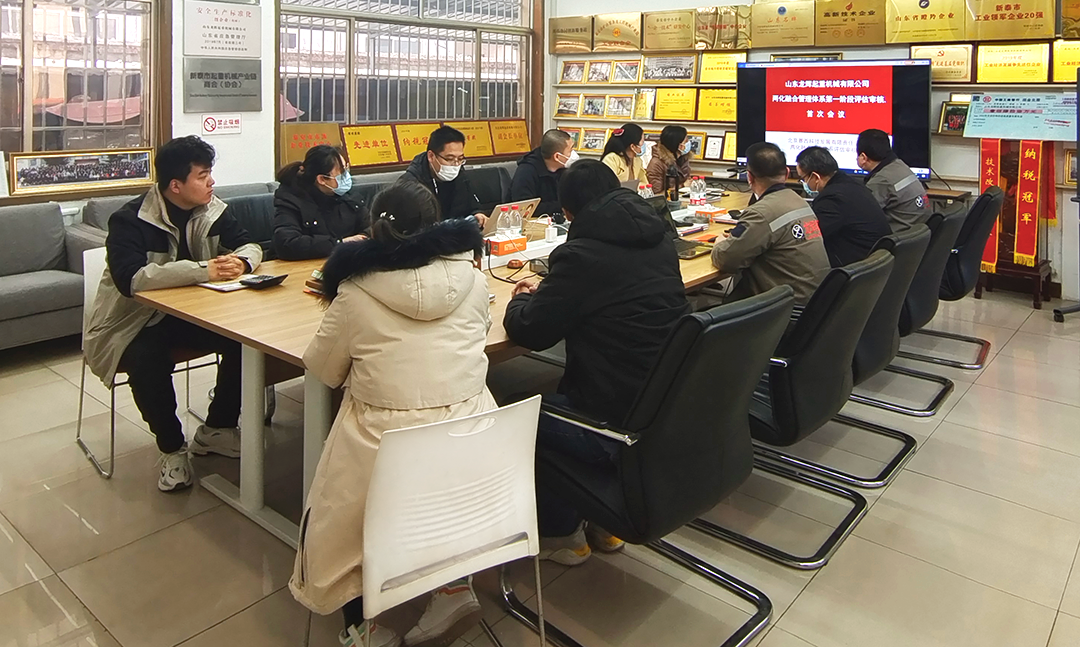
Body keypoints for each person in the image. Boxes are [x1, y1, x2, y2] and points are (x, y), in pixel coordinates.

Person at [290, 182, 496, 647]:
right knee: (439, 476)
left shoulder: (354, 290)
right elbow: (478, 333)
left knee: (342, 516)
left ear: (374, 229)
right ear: (437, 226)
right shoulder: (474, 279)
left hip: (384, 446)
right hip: (472, 440)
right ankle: (452, 586)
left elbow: (322, 369)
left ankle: (363, 627)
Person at [503, 160, 690, 564]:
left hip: (613, 420)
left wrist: (521, 299)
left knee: (520, 412)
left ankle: (563, 536)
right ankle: (603, 523)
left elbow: (531, 331)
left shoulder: (581, 255)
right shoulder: (659, 239)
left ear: (568, 212)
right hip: (666, 405)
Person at [83, 136, 263, 492]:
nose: (211, 182)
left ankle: (217, 429)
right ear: (175, 185)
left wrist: (242, 261)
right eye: (203, 176)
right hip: (133, 321)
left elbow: (251, 244)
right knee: (147, 359)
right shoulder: (130, 220)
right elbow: (131, 280)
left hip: (195, 313)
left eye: (210, 173)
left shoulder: (213, 209)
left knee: (247, 340)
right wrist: (203, 270)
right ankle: (171, 448)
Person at [710, 142, 829, 305]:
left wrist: (719, 244)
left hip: (787, 308)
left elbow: (727, 260)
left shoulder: (761, 213)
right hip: (814, 302)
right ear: (787, 173)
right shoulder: (799, 201)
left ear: (749, 177)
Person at [796, 146, 891, 268]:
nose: (803, 183)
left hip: (859, 266)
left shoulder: (832, 199)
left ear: (815, 177)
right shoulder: (850, 183)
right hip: (878, 260)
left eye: (803, 179)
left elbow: (811, 238)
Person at [272, 145, 370, 260]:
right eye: (342, 172)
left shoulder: (348, 196)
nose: (347, 177)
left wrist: (364, 237)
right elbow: (287, 243)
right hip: (304, 265)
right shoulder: (291, 199)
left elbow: (371, 226)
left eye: (346, 169)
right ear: (322, 179)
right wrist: (339, 243)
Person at [402, 125, 488, 226]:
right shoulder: (411, 185)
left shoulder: (460, 175)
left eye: (460, 159)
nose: (456, 164)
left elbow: (471, 204)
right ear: (431, 156)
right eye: (449, 159)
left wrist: (477, 214)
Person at [855, 128, 932, 231]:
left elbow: (860, 215)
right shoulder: (899, 164)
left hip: (900, 236)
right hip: (918, 233)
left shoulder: (881, 181)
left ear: (863, 157)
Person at [510, 129, 576, 222]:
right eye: (570, 150)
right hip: (533, 223)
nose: (573, 154)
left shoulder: (564, 169)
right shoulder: (526, 172)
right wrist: (563, 206)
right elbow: (525, 207)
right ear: (557, 157)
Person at [646, 125, 692, 198]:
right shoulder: (656, 164)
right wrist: (682, 186)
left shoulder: (682, 159)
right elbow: (656, 195)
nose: (688, 143)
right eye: (686, 141)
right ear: (679, 145)